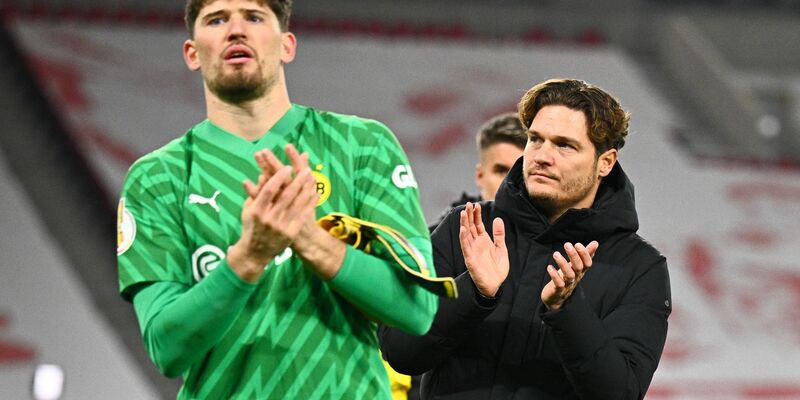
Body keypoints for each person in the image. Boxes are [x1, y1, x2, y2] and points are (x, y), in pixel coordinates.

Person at [115, 0, 438, 398]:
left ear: (287, 45)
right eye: (216, 19)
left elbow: (418, 308)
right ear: (192, 53)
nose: (236, 30)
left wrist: (310, 240)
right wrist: (249, 256)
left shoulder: (362, 146)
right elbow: (167, 349)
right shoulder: (157, 177)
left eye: (253, 16)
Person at [380, 78, 672, 399]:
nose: (542, 156)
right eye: (535, 139)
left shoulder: (640, 268)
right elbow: (399, 351)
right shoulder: (466, 227)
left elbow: (620, 393)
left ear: (605, 162)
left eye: (564, 145)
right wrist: (473, 293)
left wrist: (566, 310)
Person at [428, 112, 527, 231]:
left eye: (521, 173)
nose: (511, 183)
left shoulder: (552, 240)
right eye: (501, 171)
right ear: (480, 176)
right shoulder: (435, 244)